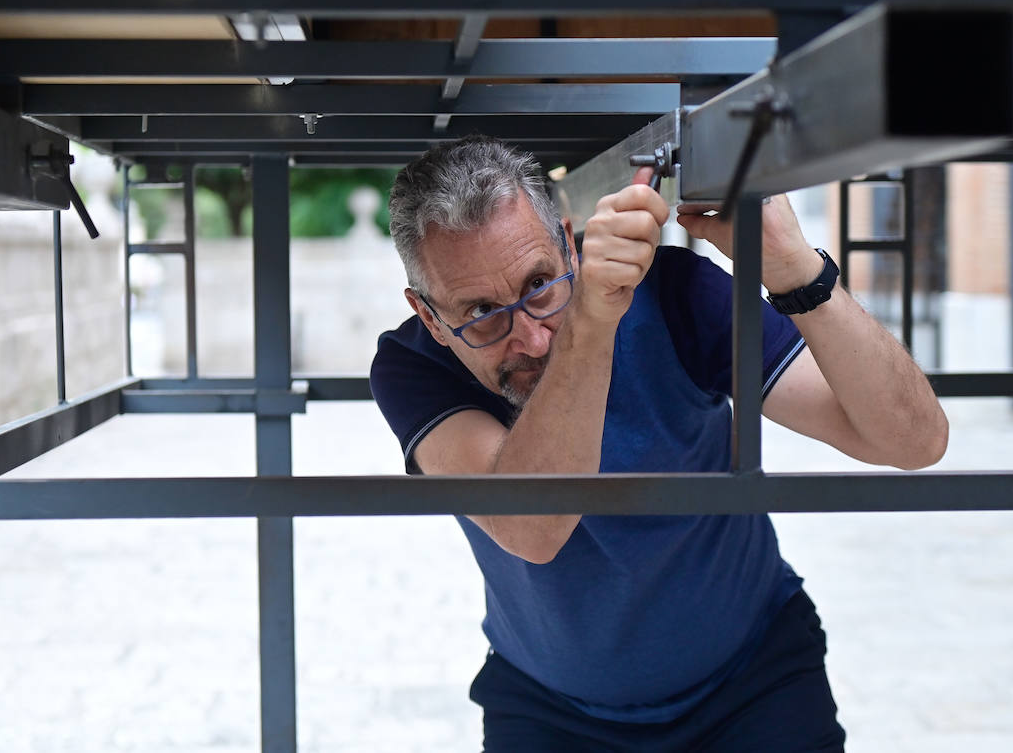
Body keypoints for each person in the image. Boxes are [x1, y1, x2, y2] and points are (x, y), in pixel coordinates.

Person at [369, 135, 948, 751]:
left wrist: (796, 271)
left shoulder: (673, 294)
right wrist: (590, 321)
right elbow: (535, 528)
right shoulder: (413, 365)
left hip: (753, 677)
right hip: (549, 706)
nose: (532, 340)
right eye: (482, 313)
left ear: (569, 242)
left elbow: (913, 442)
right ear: (430, 318)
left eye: (541, 285)